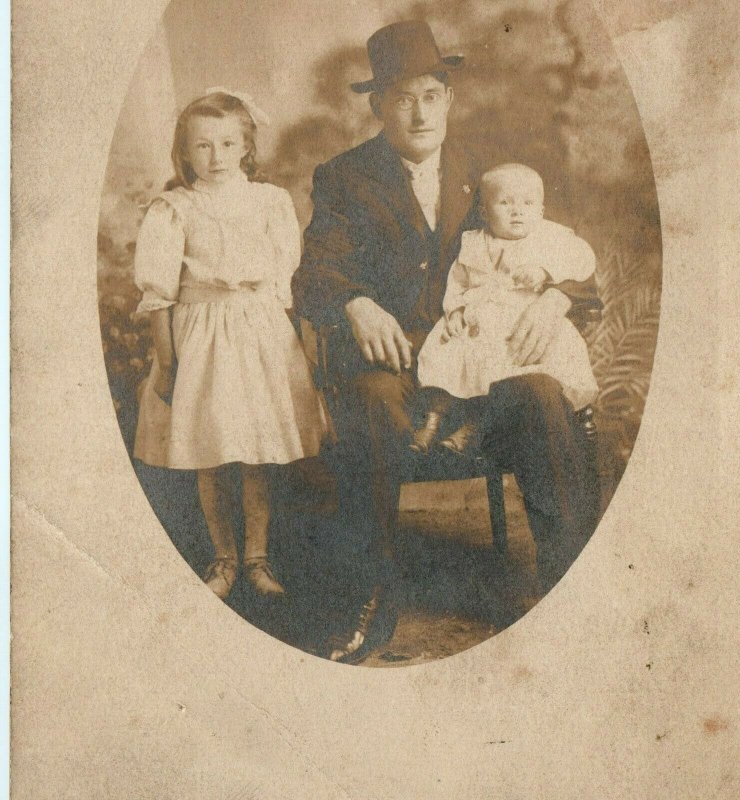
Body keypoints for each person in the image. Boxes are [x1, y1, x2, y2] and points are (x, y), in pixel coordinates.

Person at [292, 21, 601, 664]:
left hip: (482, 359)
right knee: (373, 401)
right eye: (402, 97)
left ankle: (572, 589)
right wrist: (357, 302)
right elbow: (316, 271)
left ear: (450, 100)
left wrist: (553, 298)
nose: (419, 110)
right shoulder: (344, 178)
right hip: (398, 361)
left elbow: (563, 252)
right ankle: (370, 597)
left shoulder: (482, 175)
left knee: (543, 394)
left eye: (431, 94)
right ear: (377, 105)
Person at [133, 90, 327, 601]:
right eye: (202, 146)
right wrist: (168, 364)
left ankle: (259, 558)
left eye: (227, 143)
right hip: (200, 337)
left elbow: (285, 285)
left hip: (259, 335)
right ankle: (224, 559)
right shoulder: (174, 208)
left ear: (246, 146)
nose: (215, 157)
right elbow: (158, 297)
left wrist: (294, 354)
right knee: (211, 452)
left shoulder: (270, 202)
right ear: (184, 151)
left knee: (255, 451)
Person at [412, 163, 598, 454]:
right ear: (485, 212)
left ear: (540, 210)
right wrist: (457, 310)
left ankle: (473, 428)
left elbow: (583, 260)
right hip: (478, 321)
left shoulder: (550, 237)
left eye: (527, 203)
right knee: (447, 351)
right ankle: (433, 420)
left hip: (522, 325)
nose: (517, 210)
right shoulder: (473, 242)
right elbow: (458, 281)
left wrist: (545, 272)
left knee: (504, 368)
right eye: (505, 202)